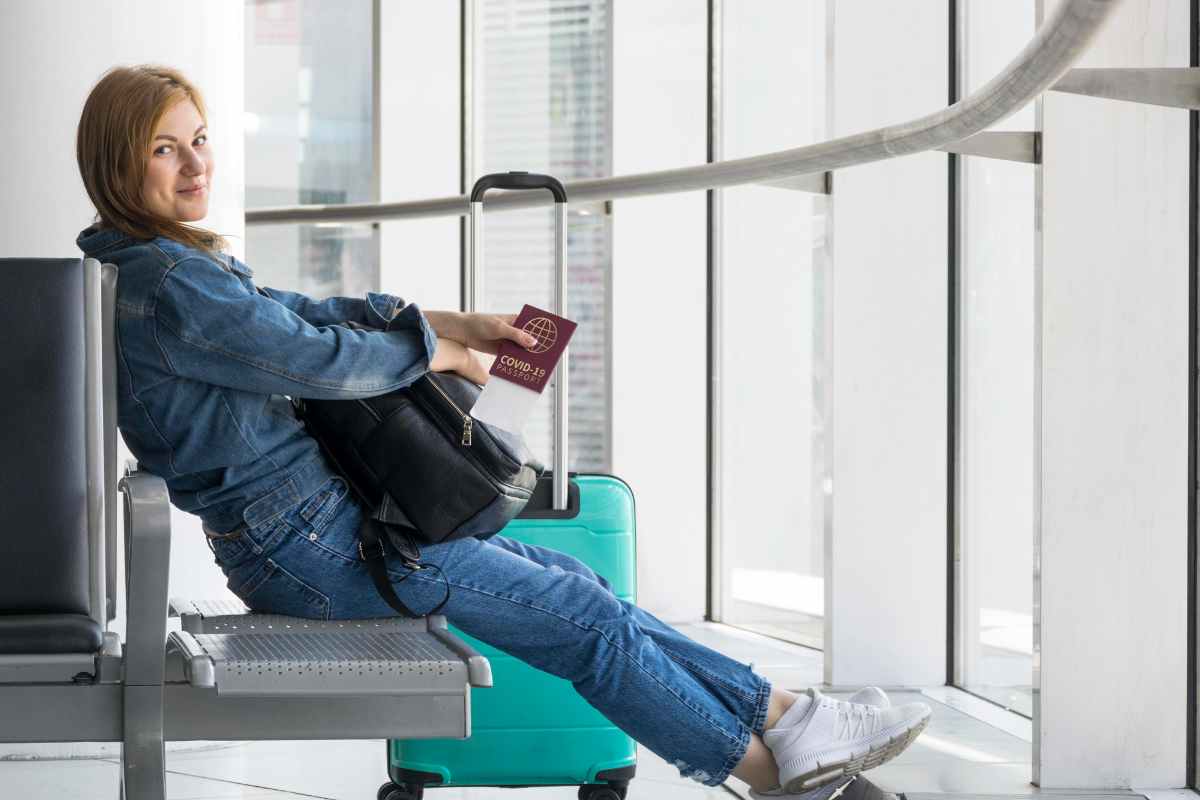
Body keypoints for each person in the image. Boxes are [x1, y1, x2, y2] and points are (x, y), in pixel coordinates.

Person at [74, 64, 930, 798]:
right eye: (165, 148)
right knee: (582, 620)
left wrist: (452, 325)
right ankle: (778, 774)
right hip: (317, 551)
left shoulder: (164, 268)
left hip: (317, 535)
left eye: (200, 139)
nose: (196, 164)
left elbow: (303, 313)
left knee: (578, 586)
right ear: (120, 164)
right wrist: (437, 349)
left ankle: (791, 722)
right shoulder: (171, 284)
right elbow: (314, 358)